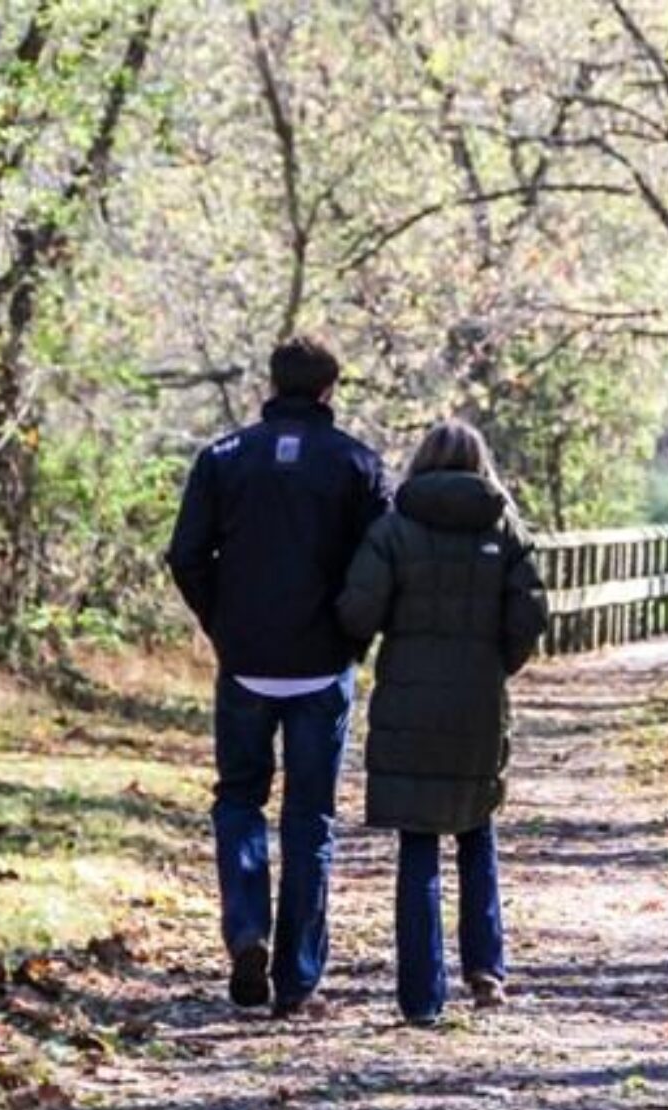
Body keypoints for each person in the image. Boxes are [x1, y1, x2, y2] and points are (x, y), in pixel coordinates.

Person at [165, 337, 389, 1018]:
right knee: (309, 819)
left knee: (238, 799)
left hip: (246, 663)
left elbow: (185, 554)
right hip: (322, 668)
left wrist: (222, 624)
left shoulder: (224, 458)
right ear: (329, 390)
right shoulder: (356, 462)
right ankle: (296, 980)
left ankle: (245, 930)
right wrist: (353, 634)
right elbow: (376, 567)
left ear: (274, 382)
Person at [337, 419, 548, 1026]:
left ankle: (422, 996)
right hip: (479, 698)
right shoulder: (505, 527)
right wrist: (496, 664)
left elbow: (358, 610)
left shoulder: (395, 529)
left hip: (408, 699)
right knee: (477, 829)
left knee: (418, 843)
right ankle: (486, 969)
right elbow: (531, 613)